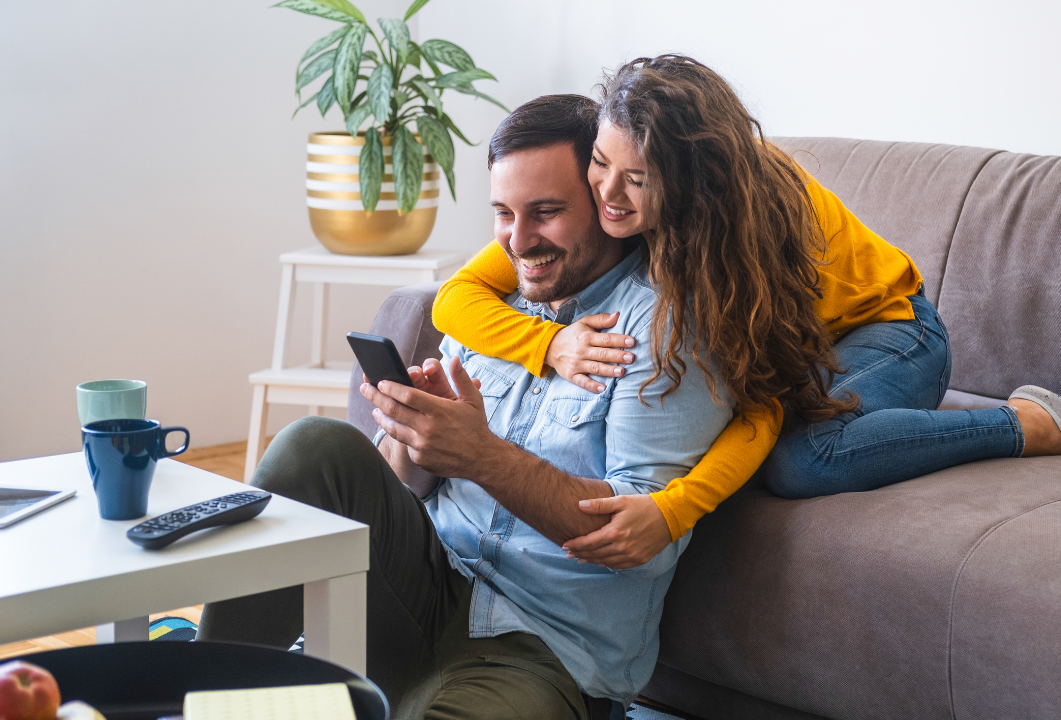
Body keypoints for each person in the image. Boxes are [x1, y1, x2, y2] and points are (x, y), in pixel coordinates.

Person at [196, 94, 732, 720]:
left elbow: (640, 542)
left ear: (606, 204)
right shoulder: (492, 303)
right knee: (314, 446)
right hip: (421, 587)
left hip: (538, 649)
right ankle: (198, 690)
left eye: (547, 213)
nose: (518, 240)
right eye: (503, 213)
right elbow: (403, 486)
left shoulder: (666, 328)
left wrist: (481, 455)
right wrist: (413, 432)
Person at [432, 54, 1061, 571]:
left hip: (891, 330)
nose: (607, 195)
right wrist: (548, 347)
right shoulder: (600, 203)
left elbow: (762, 402)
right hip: (812, 346)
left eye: (637, 179)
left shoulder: (735, 236)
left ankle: (1024, 422)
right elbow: (454, 300)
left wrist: (674, 508)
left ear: (686, 179)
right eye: (599, 164)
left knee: (801, 460)